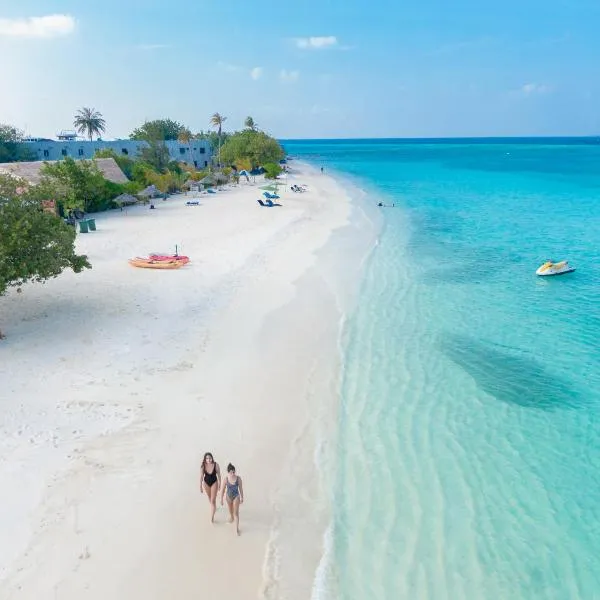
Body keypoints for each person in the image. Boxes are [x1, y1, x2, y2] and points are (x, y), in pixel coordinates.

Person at [221, 463, 244, 535]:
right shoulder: (226, 479)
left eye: (234, 472)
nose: (233, 473)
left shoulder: (238, 479)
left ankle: (237, 529)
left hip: (236, 496)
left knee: (236, 513)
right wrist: (221, 499)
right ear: (228, 472)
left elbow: (240, 489)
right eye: (231, 472)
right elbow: (223, 489)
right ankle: (231, 518)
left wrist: (242, 497)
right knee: (231, 512)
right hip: (228, 497)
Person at [200, 452, 221, 523]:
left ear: (212, 458)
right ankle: (214, 506)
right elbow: (201, 477)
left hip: (214, 483)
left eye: (210, 458)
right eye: (207, 458)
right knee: (210, 498)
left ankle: (212, 518)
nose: (208, 459)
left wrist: (220, 483)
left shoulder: (216, 464)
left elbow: (219, 474)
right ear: (205, 459)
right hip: (206, 483)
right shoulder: (203, 466)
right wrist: (200, 486)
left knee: (212, 500)